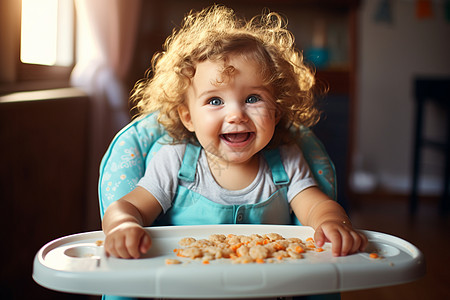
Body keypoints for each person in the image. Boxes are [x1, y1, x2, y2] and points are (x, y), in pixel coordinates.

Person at [102, 5, 367, 260]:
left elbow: (317, 206)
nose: (236, 115)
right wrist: (123, 225)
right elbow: (129, 207)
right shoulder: (174, 161)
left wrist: (334, 222)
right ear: (188, 117)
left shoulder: (286, 160)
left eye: (253, 98)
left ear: (276, 110)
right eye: (215, 101)